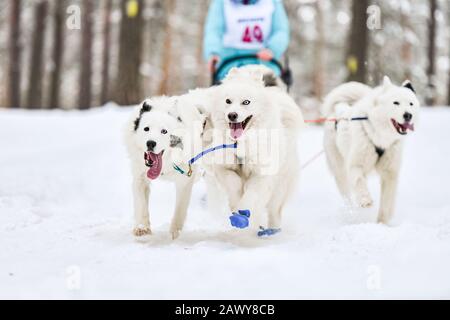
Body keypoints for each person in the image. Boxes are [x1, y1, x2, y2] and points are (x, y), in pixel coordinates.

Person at [204, 0, 290, 82]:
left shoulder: (272, 2)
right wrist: (213, 53)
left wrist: (272, 49)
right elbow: (214, 31)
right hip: (229, 67)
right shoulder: (221, 3)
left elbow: (280, 30)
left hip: (265, 66)